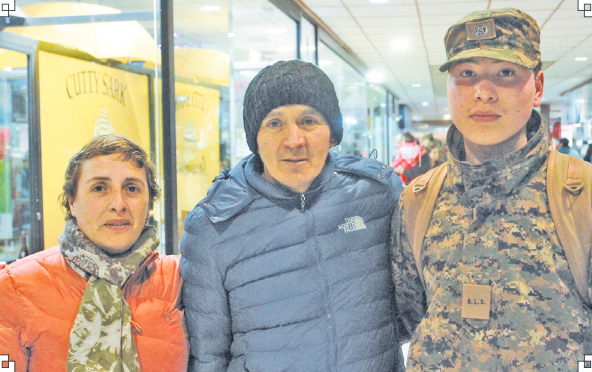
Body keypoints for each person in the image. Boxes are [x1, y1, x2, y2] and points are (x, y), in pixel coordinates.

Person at [391, 8, 591, 371]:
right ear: (449, 86)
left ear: (538, 88)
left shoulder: (582, 195)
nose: (483, 92)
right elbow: (409, 316)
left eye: (506, 73)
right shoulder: (418, 199)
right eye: (466, 74)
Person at [180, 60, 405, 372]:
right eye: (274, 124)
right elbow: (208, 357)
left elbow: (413, 309)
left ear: (332, 133)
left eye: (309, 121)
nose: (294, 140)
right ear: (254, 139)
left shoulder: (377, 194)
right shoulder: (212, 227)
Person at [0, 135, 188, 372]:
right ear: (72, 202)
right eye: (99, 188)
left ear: (149, 203)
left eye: (132, 188)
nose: (118, 203)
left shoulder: (181, 278)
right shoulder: (17, 287)